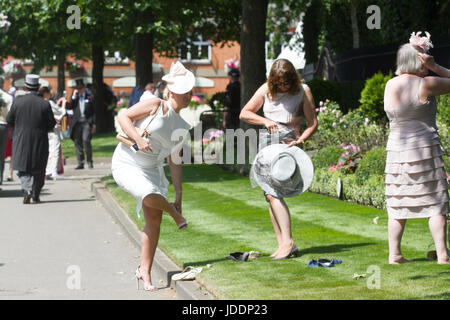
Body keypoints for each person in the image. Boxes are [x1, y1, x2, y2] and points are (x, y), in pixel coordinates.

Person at [111, 61, 194, 291]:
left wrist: (179, 193)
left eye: (190, 92)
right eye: (185, 92)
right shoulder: (155, 104)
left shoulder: (183, 126)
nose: (189, 96)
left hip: (152, 170)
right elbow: (124, 118)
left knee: (153, 223)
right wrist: (138, 139)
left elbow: (175, 161)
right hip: (127, 162)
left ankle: (144, 271)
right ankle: (173, 213)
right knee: (147, 194)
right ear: (173, 91)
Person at [239, 58, 318, 260]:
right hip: (267, 144)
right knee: (269, 194)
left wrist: (300, 140)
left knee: (275, 193)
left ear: (293, 79)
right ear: (273, 81)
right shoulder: (265, 90)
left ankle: (289, 242)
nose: (283, 86)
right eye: (279, 83)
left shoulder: (303, 90)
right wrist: (265, 120)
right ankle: (282, 244)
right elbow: (244, 113)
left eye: (286, 82)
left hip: (287, 145)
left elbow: (312, 123)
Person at [384, 32, 450, 265]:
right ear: (420, 61)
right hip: (424, 149)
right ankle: (442, 254)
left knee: (398, 201)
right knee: (435, 203)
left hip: (397, 151)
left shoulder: (390, 84)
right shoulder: (426, 84)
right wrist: (436, 66)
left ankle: (395, 254)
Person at [6, 74, 56, 204]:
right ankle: (36, 194)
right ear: (38, 87)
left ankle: (27, 189)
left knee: (23, 167)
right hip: (39, 139)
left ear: (25, 87)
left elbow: (9, 119)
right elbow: (51, 123)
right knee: (39, 168)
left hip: (21, 138)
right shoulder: (44, 104)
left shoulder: (17, 102)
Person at [38, 86, 66, 179]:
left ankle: (47, 170)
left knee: (46, 151)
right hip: (53, 129)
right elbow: (61, 112)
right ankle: (53, 170)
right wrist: (63, 104)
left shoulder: (40, 103)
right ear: (46, 93)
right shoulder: (49, 102)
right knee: (54, 150)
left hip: (43, 129)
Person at [66, 79, 96, 169]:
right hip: (77, 122)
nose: (79, 90)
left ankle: (90, 161)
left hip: (87, 121)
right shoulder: (75, 97)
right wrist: (73, 97)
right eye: (78, 88)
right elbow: (69, 106)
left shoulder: (89, 96)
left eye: (81, 88)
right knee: (77, 142)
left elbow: (94, 111)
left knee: (86, 140)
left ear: (84, 88)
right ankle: (80, 162)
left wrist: (94, 123)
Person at [0, 76, 13, 186]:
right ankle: (0, 178)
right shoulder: (8, 97)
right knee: (1, 154)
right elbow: (10, 116)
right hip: (3, 126)